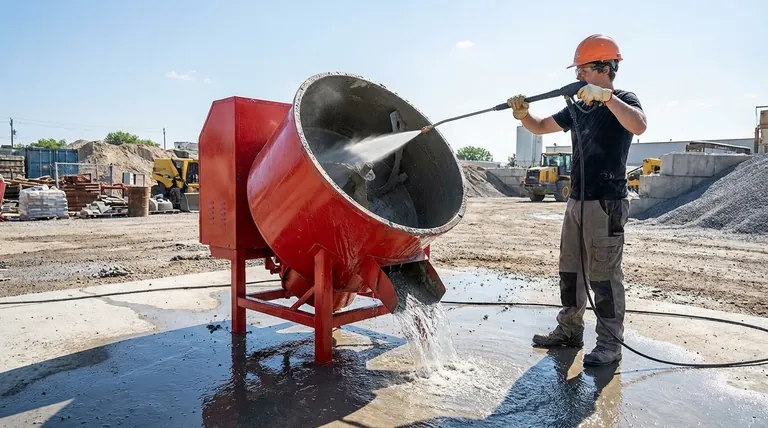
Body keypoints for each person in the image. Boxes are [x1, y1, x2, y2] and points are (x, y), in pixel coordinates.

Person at [508, 34, 647, 366]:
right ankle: (569, 331)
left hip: (606, 202)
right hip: (577, 202)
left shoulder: (623, 99)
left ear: (602, 67)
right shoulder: (579, 105)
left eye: (581, 69)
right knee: (570, 272)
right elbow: (541, 126)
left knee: (603, 276)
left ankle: (610, 345)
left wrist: (607, 97)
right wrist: (523, 114)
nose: (577, 76)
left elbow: (639, 125)